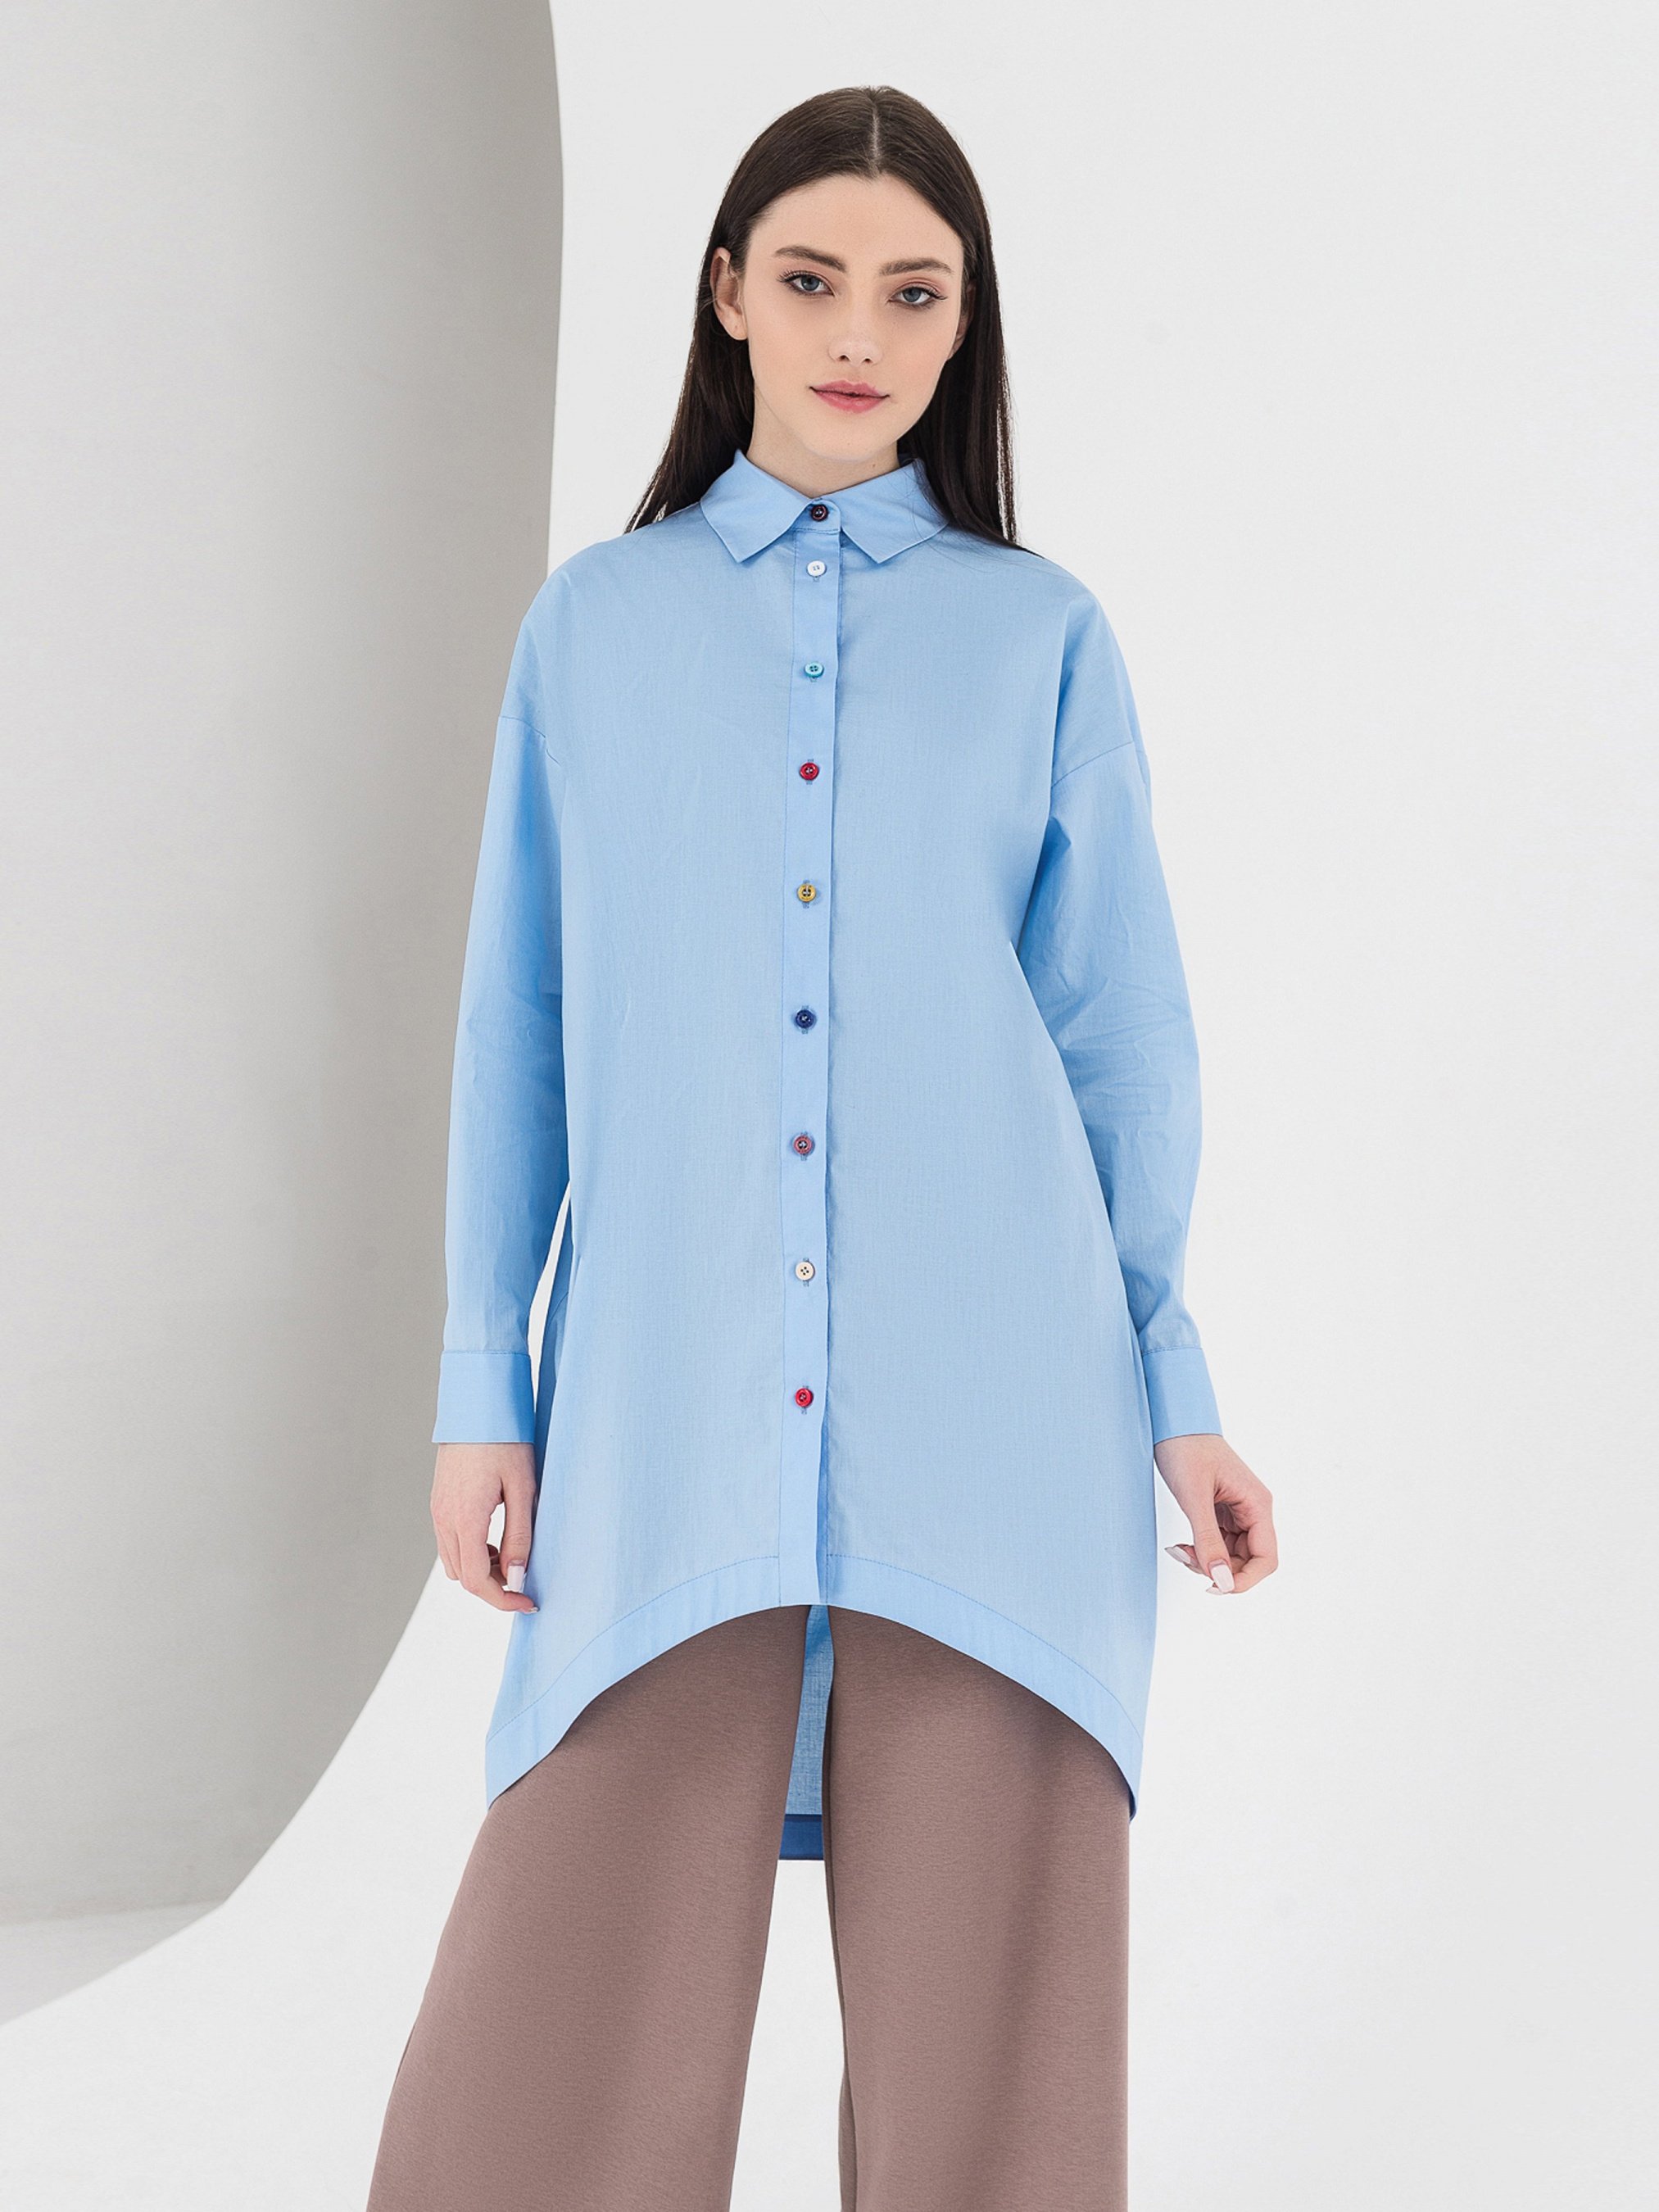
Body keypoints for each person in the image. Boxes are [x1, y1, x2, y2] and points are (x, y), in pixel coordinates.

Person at [365, 81, 1277, 2212]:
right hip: (663, 1418)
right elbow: (521, 1028)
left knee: (997, 2100)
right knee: (543, 2078)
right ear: (727, 297)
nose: (859, 332)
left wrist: (1173, 1387)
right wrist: (485, 1379)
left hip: (1000, 1434)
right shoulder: (592, 630)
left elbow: (1119, 1045)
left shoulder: (1041, 640)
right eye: (810, 278)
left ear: (965, 326)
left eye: (913, 293)